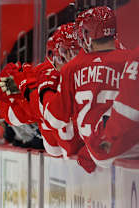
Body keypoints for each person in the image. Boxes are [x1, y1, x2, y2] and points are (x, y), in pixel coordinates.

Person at [42, 6, 130, 171]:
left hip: (93, 151)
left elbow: (54, 118)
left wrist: (44, 93)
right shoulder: (130, 60)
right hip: (126, 149)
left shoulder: (72, 67)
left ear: (88, 36)